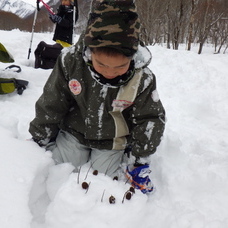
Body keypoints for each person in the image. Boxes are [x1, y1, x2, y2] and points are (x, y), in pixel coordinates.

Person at [29, 0, 166, 194]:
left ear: (132, 57)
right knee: (58, 172)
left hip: (112, 140)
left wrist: (139, 160)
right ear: (89, 51)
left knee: (103, 185)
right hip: (74, 132)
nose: (110, 73)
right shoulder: (71, 62)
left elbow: (150, 118)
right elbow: (52, 101)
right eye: (101, 64)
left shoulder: (141, 78)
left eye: (120, 67)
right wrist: (40, 137)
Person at [34, 0, 76, 69]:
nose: (63, 2)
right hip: (59, 37)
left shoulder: (73, 11)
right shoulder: (61, 9)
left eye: (65, 0)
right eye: (62, 0)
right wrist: (52, 16)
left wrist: (59, 19)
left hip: (66, 39)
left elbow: (68, 23)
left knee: (61, 54)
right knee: (54, 54)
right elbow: (56, 20)